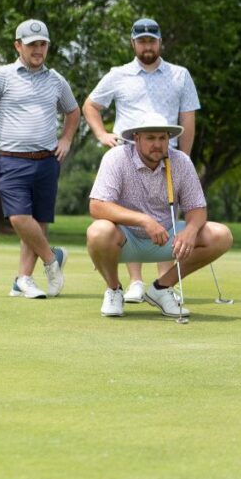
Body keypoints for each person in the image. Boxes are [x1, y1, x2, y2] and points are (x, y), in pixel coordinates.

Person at [0, 19, 80, 299]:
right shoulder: (0, 76)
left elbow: (73, 112)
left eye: (42, 44)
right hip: (13, 160)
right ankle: (52, 258)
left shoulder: (56, 80)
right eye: (32, 45)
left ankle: (23, 280)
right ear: (18, 46)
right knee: (19, 217)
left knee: (39, 220)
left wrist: (66, 139)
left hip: (47, 160)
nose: (38, 50)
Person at [82, 18, 200, 305]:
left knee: (163, 217)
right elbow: (91, 105)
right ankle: (134, 282)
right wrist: (101, 135)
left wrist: (184, 157)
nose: (147, 45)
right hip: (126, 154)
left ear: (160, 42)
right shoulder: (118, 74)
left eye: (152, 40)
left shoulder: (179, 74)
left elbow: (187, 117)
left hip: (166, 153)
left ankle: (163, 285)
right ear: (133, 43)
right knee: (129, 213)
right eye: (142, 40)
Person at [86, 113, 233, 318]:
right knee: (98, 231)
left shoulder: (181, 161)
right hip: (125, 239)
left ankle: (162, 288)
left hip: (167, 238)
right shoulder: (116, 158)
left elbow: (197, 208)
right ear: (136, 138)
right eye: (150, 138)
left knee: (221, 235)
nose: (157, 144)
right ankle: (114, 289)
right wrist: (144, 220)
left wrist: (191, 230)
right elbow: (97, 206)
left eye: (162, 138)